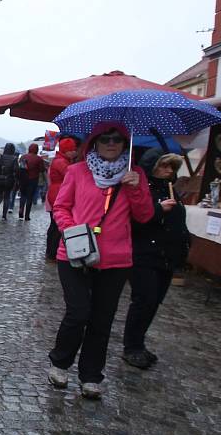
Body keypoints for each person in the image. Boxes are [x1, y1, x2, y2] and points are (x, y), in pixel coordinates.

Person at [48, 121, 155, 399]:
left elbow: (145, 216)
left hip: (115, 260)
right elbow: (60, 207)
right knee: (78, 312)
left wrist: (135, 189)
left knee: (101, 319)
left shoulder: (135, 175)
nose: (111, 143)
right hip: (75, 254)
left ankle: (91, 375)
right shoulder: (77, 171)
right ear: (94, 142)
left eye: (117, 139)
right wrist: (72, 230)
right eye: (105, 138)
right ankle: (60, 362)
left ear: (125, 144)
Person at [122, 149, 189, 369]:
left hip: (166, 256)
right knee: (144, 300)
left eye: (172, 167)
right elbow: (138, 219)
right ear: (153, 166)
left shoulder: (170, 189)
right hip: (144, 254)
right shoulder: (143, 189)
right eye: (164, 166)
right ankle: (131, 346)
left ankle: (138, 343)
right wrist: (159, 210)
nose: (169, 171)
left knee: (154, 302)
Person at [46, 138, 78, 260]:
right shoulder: (61, 162)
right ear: (67, 151)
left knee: (54, 225)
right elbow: (70, 175)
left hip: (55, 191)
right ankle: (53, 252)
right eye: (72, 150)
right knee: (56, 225)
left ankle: (51, 251)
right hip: (58, 193)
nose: (74, 152)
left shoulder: (60, 160)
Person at [0, 143, 19, 219]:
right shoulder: (14, 158)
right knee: (7, 197)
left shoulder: (0, 157)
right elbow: (16, 170)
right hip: (9, 180)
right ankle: (4, 215)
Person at [18, 143, 45, 220]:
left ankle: (21, 210)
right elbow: (42, 169)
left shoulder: (23, 157)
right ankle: (27, 215)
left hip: (23, 179)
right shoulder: (38, 159)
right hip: (33, 180)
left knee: (23, 196)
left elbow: (20, 167)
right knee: (29, 198)